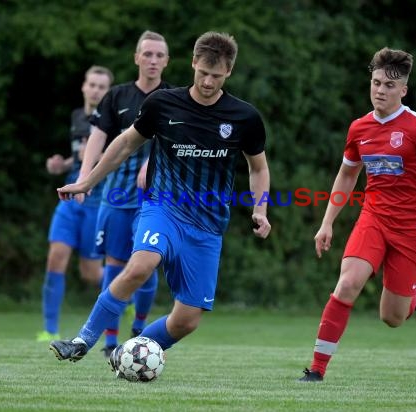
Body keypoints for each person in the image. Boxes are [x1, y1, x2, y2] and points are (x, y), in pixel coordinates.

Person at [49, 31, 271, 367]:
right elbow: (124, 144)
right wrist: (87, 181)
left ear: (229, 71)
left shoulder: (244, 117)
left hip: (208, 224)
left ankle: (130, 353)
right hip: (162, 207)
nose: (208, 82)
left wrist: (261, 208)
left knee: (186, 320)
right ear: (193, 63)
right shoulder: (164, 104)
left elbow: (258, 168)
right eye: (203, 73)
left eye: (217, 75)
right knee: (140, 265)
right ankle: (83, 339)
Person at [299, 47, 416, 382]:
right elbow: (348, 174)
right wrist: (327, 223)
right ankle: (316, 370)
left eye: (389, 86)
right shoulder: (359, 128)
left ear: (403, 90)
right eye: (376, 82)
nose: (380, 90)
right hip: (374, 218)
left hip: (414, 228)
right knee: (348, 282)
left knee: (391, 317)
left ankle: (413, 291)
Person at [76, 30, 172, 357]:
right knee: (115, 265)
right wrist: (84, 177)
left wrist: (152, 164)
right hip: (115, 196)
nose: (153, 60)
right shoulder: (116, 96)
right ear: (136, 58)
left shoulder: (175, 97)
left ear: (168, 61)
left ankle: (139, 329)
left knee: (146, 267)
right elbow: (97, 138)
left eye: (160, 55)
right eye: (148, 54)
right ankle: (110, 341)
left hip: (156, 199)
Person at [37, 65, 114, 343]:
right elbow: (79, 157)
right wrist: (61, 165)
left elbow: (119, 155)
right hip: (70, 201)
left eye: (101, 86)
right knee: (55, 258)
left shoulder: (112, 120)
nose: (95, 90)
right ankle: (49, 330)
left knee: (90, 273)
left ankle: (123, 296)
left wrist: (97, 153)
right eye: (91, 84)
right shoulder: (77, 117)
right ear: (83, 86)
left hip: (97, 204)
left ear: (108, 92)